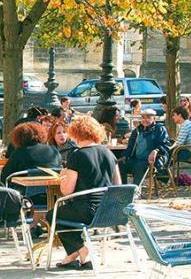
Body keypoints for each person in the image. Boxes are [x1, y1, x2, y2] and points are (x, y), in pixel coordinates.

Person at [46, 114, 121, 270]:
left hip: (86, 209)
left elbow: (66, 191)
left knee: (52, 214)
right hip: (108, 210)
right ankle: (76, 257)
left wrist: (64, 176)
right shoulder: (109, 153)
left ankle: (80, 249)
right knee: (68, 213)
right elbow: (118, 185)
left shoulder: (77, 155)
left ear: (75, 133)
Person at [118, 108, 170, 185]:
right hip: (136, 158)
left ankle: (136, 191)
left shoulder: (159, 129)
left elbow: (165, 145)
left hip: (151, 161)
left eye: (148, 117)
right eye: (143, 117)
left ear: (154, 118)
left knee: (139, 167)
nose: (145, 120)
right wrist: (124, 156)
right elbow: (130, 147)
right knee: (120, 164)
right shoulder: (137, 130)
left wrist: (156, 150)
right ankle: (123, 189)